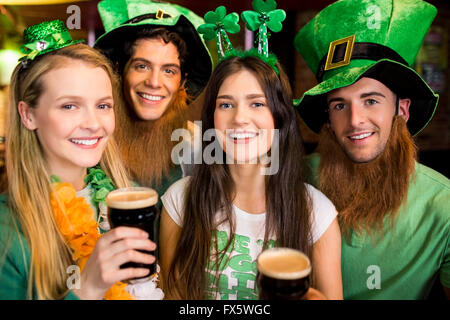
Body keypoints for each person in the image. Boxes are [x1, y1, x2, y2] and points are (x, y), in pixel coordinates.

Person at [294, 0, 449, 299]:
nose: (354, 121)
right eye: (339, 105)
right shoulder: (295, 178)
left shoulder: (444, 206)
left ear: (401, 110)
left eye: (371, 100)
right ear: (328, 118)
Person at [159, 52, 342, 299]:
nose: (240, 119)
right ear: (211, 119)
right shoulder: (180, 199)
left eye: (257, 103)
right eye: (226, 104)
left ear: (279, 116)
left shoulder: (317, 213)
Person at [0, 20, 159, 300]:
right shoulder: (6, 231)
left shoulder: (128, 197)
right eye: (69, 106)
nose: (93, 123)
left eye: (102, 106)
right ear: (28, 115)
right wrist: (89, 288)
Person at [94, 0, 212, 199]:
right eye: (142, 66)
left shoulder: (199, 147)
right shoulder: (91, 138)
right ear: (118, 70)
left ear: (182, 81)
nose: (154, 82)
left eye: (169, 70)